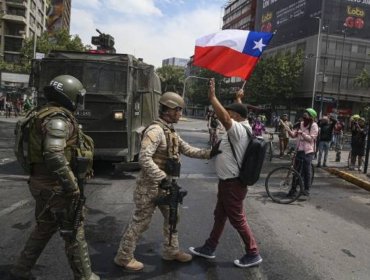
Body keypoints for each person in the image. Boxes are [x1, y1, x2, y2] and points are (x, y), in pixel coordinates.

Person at [114, 91, 220, 271]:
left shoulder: (169, 131)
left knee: (173, 217)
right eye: (178, 110)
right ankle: (123, 257)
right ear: (169, 109)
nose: (180, 114)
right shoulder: (155, 131)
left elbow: (187, 149)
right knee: (141, 222)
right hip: (150, 186)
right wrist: (162, 178)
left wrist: (210, 153)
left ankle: (171, 251)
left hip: (166, 186)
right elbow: (144, 158)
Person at [10, 75, 100, 280]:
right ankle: (85, 277)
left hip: (41, 184)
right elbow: (54, 154)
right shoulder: (58, 120)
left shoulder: (40, 114)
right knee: (74, 233)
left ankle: (21, 270)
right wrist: (72, 187)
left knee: (44, 227)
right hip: (56, 187)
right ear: (70, 97)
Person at [189, 78, 262, 268]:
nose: (226, 116)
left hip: (233, 184)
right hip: (227, 182)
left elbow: (227, 118)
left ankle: (253, 253)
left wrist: (213, 98)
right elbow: (237, 113)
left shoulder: (238, 130)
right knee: (220, 216)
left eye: (231, 113)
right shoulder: (242, 125)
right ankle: (209, 247)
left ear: (236, 117)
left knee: (237, 219)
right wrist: (238, 99)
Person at [286, 108, 318, 197]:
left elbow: (311, 138)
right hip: (299, 150)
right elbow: (293, 135)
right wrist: (288, 130)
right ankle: (293, 190)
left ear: (311, 117)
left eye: (306, 114)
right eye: (304, 114)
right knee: (296, 171)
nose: (304, 116)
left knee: (306, 169)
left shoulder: (314, 125)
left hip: (308, 151)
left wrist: (302, 134)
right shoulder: (301, 124)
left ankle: (306, 189)